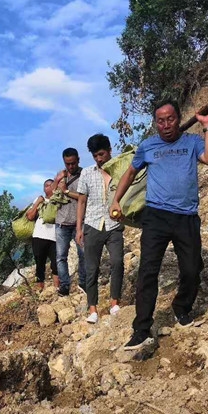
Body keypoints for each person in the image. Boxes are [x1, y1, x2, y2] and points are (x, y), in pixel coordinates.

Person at [110, 99, 208, 351]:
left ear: (178, 118)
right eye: (161, 120)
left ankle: (181, 307)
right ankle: (141, 329)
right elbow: (130, 173)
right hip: (156, 216)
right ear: (155, 123)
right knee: (148, 271)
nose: (166, 125)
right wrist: (116, 199)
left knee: (191, 269)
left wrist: (207, 125)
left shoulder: (192, 142)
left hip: (186, 216)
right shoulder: (148, 146)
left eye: (170, 119)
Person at [76, 134, 124, 324]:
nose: (99, 159)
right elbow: (81, 201)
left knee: (117, 261)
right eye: (95, 156)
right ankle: (93, 309)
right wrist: (79, 228)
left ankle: (114, 303)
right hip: (92, 224)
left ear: (109, 151)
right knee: (91, 268)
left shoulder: (119, 170)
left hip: (114, 224)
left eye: (101, 154)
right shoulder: (87, 173)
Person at [52, 147, 86, 296]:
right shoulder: (61, 175)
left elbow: (84, 197)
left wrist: (66, 191)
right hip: (61, 222)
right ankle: (65, 286)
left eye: (73, 163)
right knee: (61, 257)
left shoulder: (85, 175)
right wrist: (57, 180)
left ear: (78, 160)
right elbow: (51, 194)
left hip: (80, 222)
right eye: (67, 164)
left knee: (83, 254)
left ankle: (83, 283)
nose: (70, 166)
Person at [26, 179, 59, 291]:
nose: (49, 187)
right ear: (44, 188)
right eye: (46, 186)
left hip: (55, 237)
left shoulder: (59, 200)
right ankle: (40, 289)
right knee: (39, 264)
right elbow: (30, 216)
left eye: (51, 185)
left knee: (56, 264)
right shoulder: (39, 200)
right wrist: (37, 203)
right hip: (39, 236)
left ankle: (57, 288)